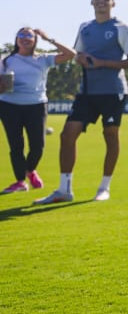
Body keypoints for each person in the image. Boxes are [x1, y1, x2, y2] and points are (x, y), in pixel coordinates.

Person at [36, 0, 128, 204]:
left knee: (110, 135)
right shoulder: (85, 28)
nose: (101, 1)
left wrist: (101, 63)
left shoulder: (122, 28)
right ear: (91, 2)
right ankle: (64, 190)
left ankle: (104, 188)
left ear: (113, 3)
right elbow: (76, 54)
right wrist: (80, 58)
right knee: (67, 135)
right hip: (87, 91)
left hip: (113, 91)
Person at [1, 28, 75, 194]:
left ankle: (30, 170)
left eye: (29, 35)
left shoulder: (43, 59)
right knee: (16, 145)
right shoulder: (6, 60)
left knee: (38, 146)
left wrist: (49, 39)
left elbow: (71, 54)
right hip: (9, 106)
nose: (25, 38)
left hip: (36, 106)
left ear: (35, 40)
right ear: (16, 39)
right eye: (21, 35)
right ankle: (20, 181)